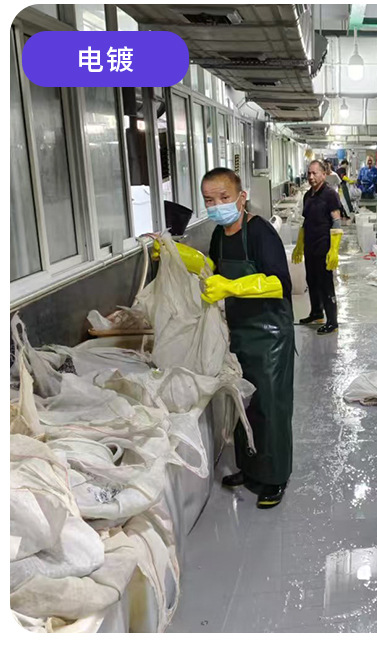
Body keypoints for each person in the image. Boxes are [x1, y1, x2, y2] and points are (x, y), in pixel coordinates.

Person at [152, 168, 294, 509]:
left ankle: (274, 477)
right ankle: (250, 468)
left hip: (270, 336)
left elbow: (279, 284)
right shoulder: (219, 234)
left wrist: (233, 287)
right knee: (242, 402)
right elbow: (213, 269)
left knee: (270, 407)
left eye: (224, 198)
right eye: (209, 200)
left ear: (241, 197)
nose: (217, 206)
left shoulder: (260, 232)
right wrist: (177, 254)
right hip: (239, 331)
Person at [291, 160, 343, 335]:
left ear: (323, 174)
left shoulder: (330, 195)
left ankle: (332, 321)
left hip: (324, 246)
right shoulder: (308, 196)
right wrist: (300, 244)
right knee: (311, 280)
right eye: (309, 173)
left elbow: (337, 221)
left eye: (315, 173)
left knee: (325, 283)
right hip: (310, 246)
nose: (311, 177)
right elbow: (306, 221)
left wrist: (334, 249)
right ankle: (316, 313)